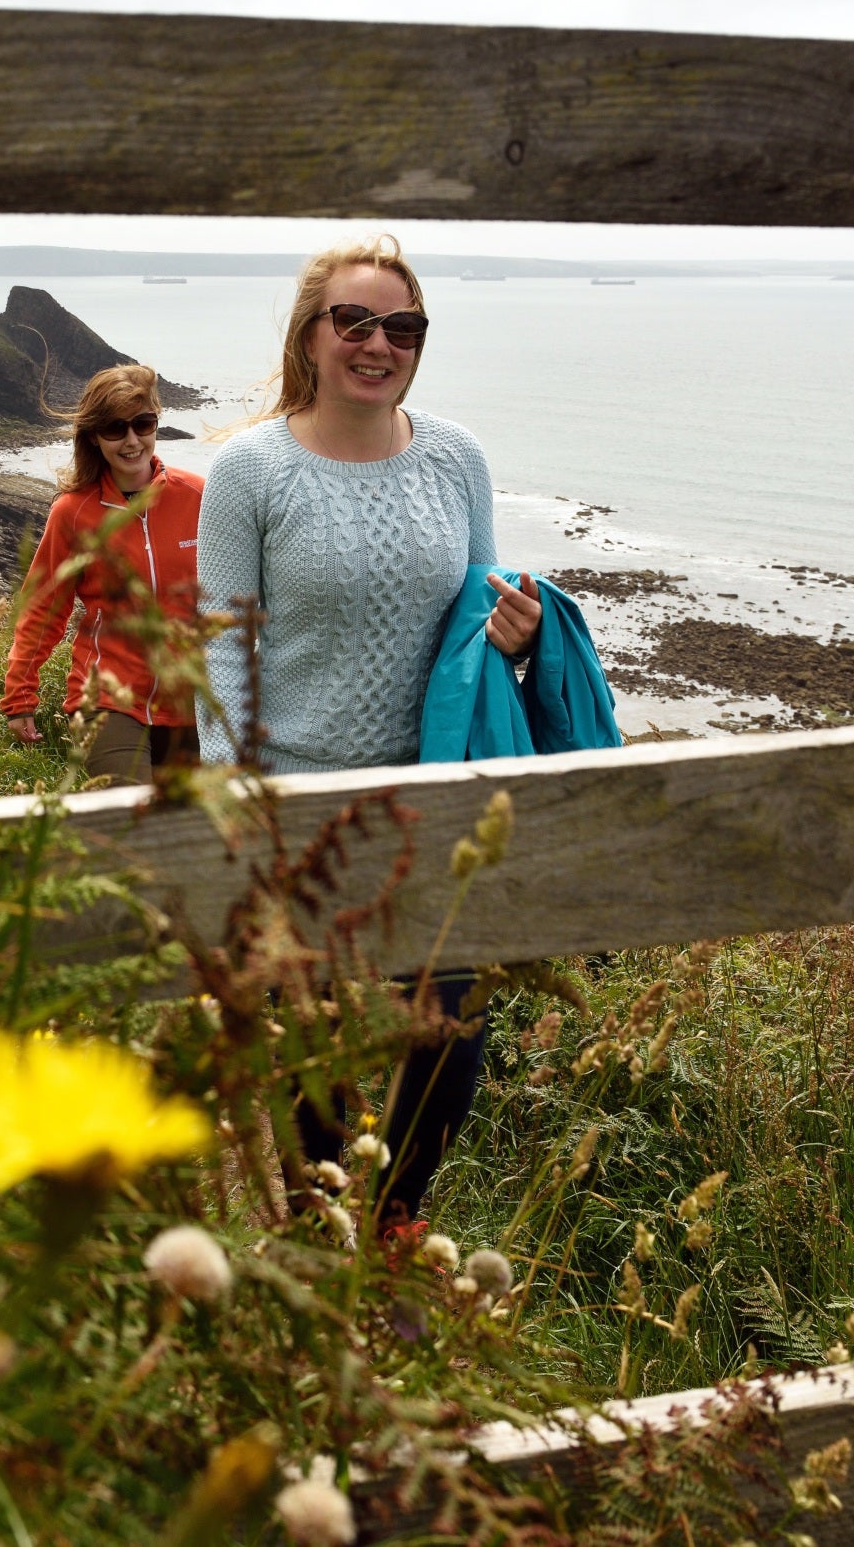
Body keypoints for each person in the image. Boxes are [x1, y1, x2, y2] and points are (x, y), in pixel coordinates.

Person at [195, 236, 541, 1226]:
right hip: (299, 811)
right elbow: (221, 645)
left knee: (451, 1041)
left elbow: (473, 621)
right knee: (316, 1065)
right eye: (353, 321)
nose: (377, 343)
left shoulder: (458, 457)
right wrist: (233, 790)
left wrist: (515, 638)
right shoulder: (250, 470)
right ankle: (317, 1241)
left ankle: (393, 1228)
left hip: (434, 798)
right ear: (311, 335)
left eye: (402, 327)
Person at [1, 365, 205, 786]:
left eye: (142, 424)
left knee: (189, 820)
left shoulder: (200, 496)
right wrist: (20, 695)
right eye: (115, 429)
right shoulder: (73, 512)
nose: (131, 441)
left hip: (192, 701)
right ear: (94, 436)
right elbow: (43, 608)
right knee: (126, 811)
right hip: (107, 699)